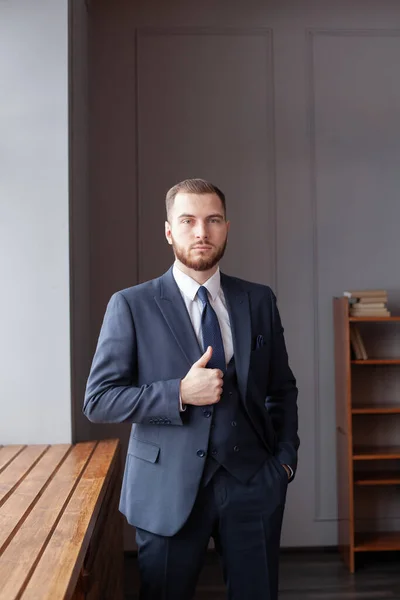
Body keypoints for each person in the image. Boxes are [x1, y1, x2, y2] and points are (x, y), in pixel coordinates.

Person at [83, 178, 299, 600]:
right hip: (166, 490)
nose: (201, 232)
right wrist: (179, 393)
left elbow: (281, 388)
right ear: (169, 231)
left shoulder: (258, 300)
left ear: (226, 228)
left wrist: (284, 464)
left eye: (212, 220)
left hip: (253, 485)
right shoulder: (131, 304)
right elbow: (99, 399)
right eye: (188, 221)